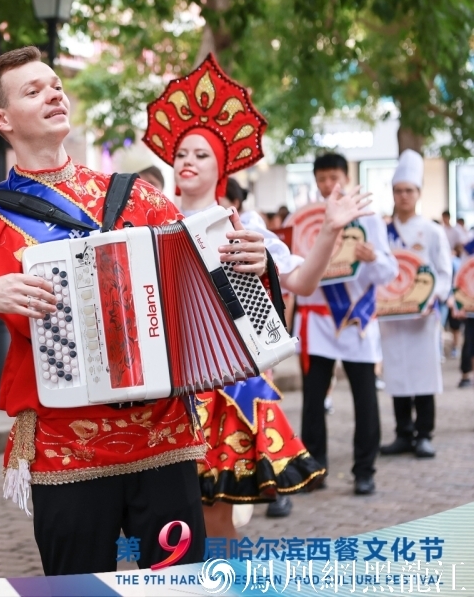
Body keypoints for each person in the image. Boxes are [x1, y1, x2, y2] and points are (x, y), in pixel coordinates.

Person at [0, 47, 272, 575]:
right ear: (0, 119)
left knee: (180, 589)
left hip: (163, 435)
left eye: (55, 84)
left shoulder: (136, 197)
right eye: (34, 90)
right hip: (65, 447)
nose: (54, 93)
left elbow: (213, 284)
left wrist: (252, 266)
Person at [146, 56, 368, 537]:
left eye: (201, 154)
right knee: (163, 519)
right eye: (182, 153)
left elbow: (302, 283)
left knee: (213, 517)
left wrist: (330, 230)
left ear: (221, 169)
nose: (188, 161)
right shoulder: (149, 224)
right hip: (164, 388)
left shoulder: (245, 228)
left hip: (226, 387)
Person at [293, 152, 398, 496]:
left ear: (346, 176)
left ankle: (364, 470)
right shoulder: (307, 218)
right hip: (318, 323)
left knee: (365, 399)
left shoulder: (368, 219)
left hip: (356, 321)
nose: (327, 185)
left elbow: (390, 271)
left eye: (333, 177)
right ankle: (313, 466)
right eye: (321, 178)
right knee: (312, 401)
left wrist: (374, 258)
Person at [379, 150, 451, 460]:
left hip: (422, 316)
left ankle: (424, 434)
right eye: (398, 190)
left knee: (423, 374)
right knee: (397, 373)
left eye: (409, 190)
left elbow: (445, 272)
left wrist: (433, 297)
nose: (403, 196)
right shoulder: (382, 231)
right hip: (392, 316)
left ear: (419, 193)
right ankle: (403, 433)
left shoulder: (433, 231)